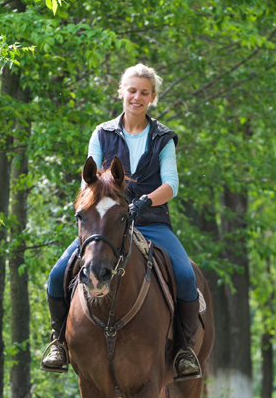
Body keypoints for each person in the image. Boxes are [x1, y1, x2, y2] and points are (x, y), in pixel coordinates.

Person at [41, 63, 202, 381]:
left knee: (185, 275)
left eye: (144, 92)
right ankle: (58, 342)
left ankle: (184, 350)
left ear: (153, 97)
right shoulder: (102, 133)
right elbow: (88, 181)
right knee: (57, 275)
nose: (136, 97)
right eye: (132, 91)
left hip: (151, 221)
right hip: (105, 225)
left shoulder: (163, 138)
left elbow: (171, 184)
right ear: (121, 92)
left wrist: (144, 202)